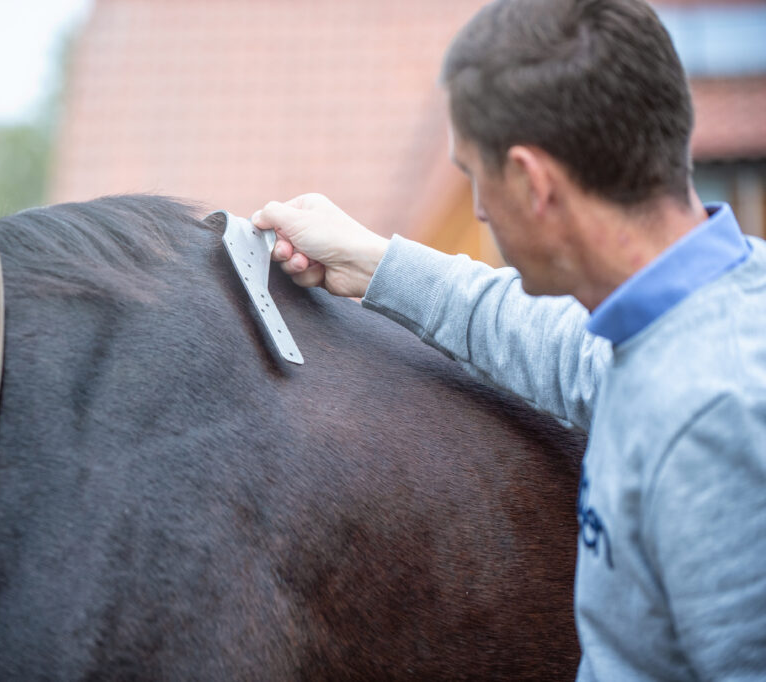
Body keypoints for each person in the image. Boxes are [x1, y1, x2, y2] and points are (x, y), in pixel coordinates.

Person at [252, 0, 766, 680]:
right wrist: (371, 262)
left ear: (531, 181)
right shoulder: (684, 313)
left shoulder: (711, 416)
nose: (479, 211)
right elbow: (552, 340)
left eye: (475, 176)